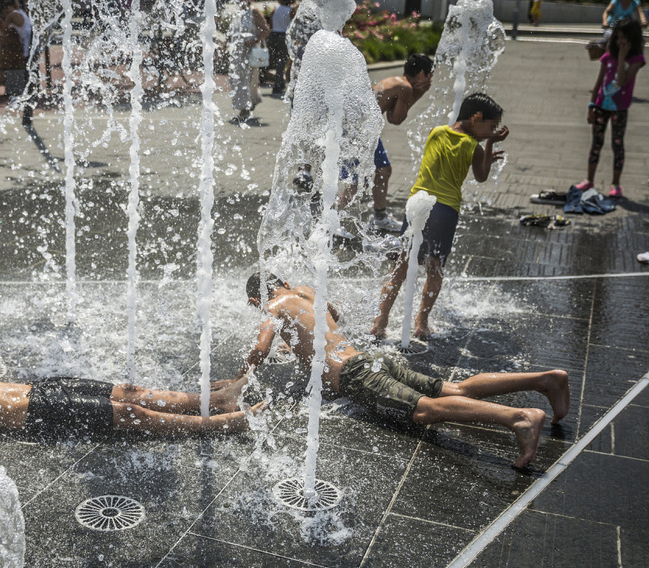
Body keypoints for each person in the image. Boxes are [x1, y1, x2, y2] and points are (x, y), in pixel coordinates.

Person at [0, 359, 261, 521]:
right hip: (41, 414)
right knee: (132, 416)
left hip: (44, 388)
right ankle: (224, 424)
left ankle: (215, 399)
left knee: (128, 392)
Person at [235, 273, 570, 470]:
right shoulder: (302, 292)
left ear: (255, 300)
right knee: (456, 390)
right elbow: (332, 312)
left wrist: (241, 380)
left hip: (355, 375)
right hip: (369, 359)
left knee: (426, 411)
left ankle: (519, 418)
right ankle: (546, 380)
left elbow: (260, 348)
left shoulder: (272, 307)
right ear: (284, 282)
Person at [370, 93, 509, 340]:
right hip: (445, 210)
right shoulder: (473, 147)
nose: (490, 133)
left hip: (417, 204)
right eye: (490, 128)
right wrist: (488, 147)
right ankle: (421, 322)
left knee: (402, 264)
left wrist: (485, 141)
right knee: (434, 269)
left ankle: (380, 322)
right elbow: (481, 176)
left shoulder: (437, 132)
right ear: (476, 118)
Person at [339, 53, 434, 234]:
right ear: (421, 74)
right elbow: (396, 119)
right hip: (358, 131)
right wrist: (420, 92)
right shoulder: (405, 87)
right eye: (430, 76)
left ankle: (380, 217)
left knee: (383, 171)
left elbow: (390, 115)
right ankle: (331, 222)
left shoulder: (397, 81)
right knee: (358, 182)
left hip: (359, 129)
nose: (430, 80)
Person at [575, 19, 646, 200]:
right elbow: (599, 83)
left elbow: (622, 81)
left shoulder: (637, 60)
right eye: (618, 38)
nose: (620, 42)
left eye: (625, 39)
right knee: (596, 144)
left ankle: (615, 184)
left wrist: (622, 58)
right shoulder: (607, 57)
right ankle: (589, 180)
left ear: (633, 40)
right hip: (600, 106)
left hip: (619, 109)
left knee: (617, 145)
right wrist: (591, 105)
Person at [229, 0, 271, 125]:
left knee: (246, 79)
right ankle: (251, 101)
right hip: (237, 52)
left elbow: (265, 30)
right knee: (238, 79)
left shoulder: (253, 12)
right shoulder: (236, 13)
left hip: (249, 52)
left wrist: (253, 40)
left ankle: (245, 109)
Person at [0, 0, 34, 126]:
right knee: (28, 79)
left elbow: (3, 30)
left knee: (26, 79)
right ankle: (27, 109)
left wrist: (0, 24)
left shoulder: (13, 15)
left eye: (6, 8)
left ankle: (27, 111)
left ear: (12, 6)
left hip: (24, 51)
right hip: (29, 48)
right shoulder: (20, 13)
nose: (5, 11)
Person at [267, 0, 294, 97]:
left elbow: (270, 21)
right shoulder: (291, 10)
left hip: (273, 34)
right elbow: (293, 25)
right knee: (282, 61)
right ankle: (278, 85)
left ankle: (279, 83)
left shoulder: (275, 8)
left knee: (275, 59)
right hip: (284, 35)